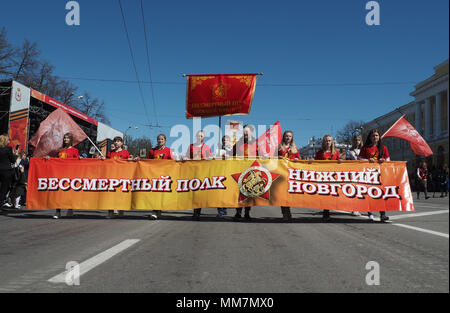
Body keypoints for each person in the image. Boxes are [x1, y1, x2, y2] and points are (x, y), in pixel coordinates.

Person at [45, 133, 79, 219]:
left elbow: (77, 163)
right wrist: (49, 158)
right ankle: (58, 211)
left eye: (67, 138)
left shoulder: (75, 150)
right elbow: (55, 160)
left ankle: (70, 209)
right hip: (59, 174)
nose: (65, 140)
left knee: (69, 192)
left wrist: (80, 159)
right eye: (64, 138)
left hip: (70, 174)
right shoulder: (60, 150)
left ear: (71, 140)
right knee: (58, 193)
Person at [359, 128, 390, 222]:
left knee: (381, 194)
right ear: (370, 137)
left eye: (376, 135)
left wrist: (383, 160)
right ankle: (370, 214)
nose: (375, 137)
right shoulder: (365, 148)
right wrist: (368, 160)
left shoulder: (383, 148)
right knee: (369, 194)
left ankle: (383, 214)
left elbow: (388, 159)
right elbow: (359, 159)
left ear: (379, 137)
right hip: (368, 174)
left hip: (380, 174)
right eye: (373, 135)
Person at [185, 130, 212, 220]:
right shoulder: (191, 146)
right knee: (193, 192)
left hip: (202, 172)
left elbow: (210, 159)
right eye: (198, 136)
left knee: (199, 192)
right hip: (192, 172)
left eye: (201, 136)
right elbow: (187, 156)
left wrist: (209, 159)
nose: (199, 137)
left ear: (204, 138)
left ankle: (198, 212)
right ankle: (195, 211)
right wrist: (185, 158)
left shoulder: (207, 147)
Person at [102, 136, 132, 218]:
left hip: (122, 176)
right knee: (110, 195)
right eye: (115, 141)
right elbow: (107, 163)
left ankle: (121, 211)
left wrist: (130, 160)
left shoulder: (125, 152)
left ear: (121, 143)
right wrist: (103, 159)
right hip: (112, 176)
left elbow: (129, 163)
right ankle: (110, 213)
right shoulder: (110, 153)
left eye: (118, 141)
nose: (116, 143)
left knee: (121, 195)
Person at [234, 124, 258, 220]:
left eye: (247, 131)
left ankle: (247, 213)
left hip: (251, 171)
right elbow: (231, 153)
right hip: (239, 171)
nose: (245, 133)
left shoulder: (256, 143)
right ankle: (238, 212)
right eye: (244, 131)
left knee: (249, 192)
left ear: (251, 132)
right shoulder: (238, 143)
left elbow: (260, 156)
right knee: (239, 192)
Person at [315, 134, 340, 221]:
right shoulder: (319, 152)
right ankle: (326, 213)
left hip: (333, 177)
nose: (328, 142)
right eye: (326, 140)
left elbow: (339, 164)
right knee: (326, 195)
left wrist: (340, 162)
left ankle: (328, 211)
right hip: (323, 177)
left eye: (329, 140)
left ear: (332, 142)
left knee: (331, 195)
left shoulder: (336, 152)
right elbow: (316, 164)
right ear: (323, 142)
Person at [147, 134, 172, 219]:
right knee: (154, 193)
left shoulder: (168, 150)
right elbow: (147, 161)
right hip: (154, 175)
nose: (160, 141)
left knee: (161, 194)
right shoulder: (152, 151)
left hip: (164, 175)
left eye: (162, 139)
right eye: (158, 139)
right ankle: (155, 211)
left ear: (165, 141)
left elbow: (172, 162)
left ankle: (159, 210)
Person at [278, 130, 301, 221]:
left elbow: (299, 158)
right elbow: (272, 158)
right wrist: (277, 157)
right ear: (284, 137)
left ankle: (288, 211)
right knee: (282, 195)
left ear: (292, 138)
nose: (288, 138)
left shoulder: (295, 148)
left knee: (289, 195)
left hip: (291, 175)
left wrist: (296, 159)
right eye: (286, 136)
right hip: (282, 174)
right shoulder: (279, 147)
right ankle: (284, 213)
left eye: (290, 136)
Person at [215, 135, 234, 218]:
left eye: (227, 140)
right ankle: (220, 211)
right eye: (223, 140)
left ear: (230, 141)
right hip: (220, 173)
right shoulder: (218, 151)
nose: (225, 141)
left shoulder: (234, 151)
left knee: (226, 193)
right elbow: (214, 160)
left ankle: (225, 208)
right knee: (219, 193)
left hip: (230, 173)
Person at [346, 134, 363, 216]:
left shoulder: (364, 150)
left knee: (362, 191)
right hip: (353, 173)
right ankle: (354, 208)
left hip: (363, 172)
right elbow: (347, 161)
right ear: (353, 141)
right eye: (355, 140)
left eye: (358, 140)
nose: (357, 141)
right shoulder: (349, 151)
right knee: (354, 191)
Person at [0, 134, 18, 209]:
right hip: (6, 171)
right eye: (8, 140)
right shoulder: (8, 148)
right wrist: (15, 154)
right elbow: (13, 161)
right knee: (4, 189)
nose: (9, 141)